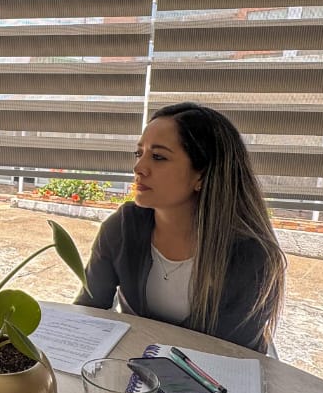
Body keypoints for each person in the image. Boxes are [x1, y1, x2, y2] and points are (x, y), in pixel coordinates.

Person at [75, 102, 286, 353]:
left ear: (202, 175)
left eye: (158, 157)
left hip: (215, 373)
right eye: (139, 153)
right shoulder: (123, 227)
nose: (139, 168)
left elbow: (232, 356)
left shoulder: (252, 256)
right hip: (137, 366)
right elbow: (88, 310)